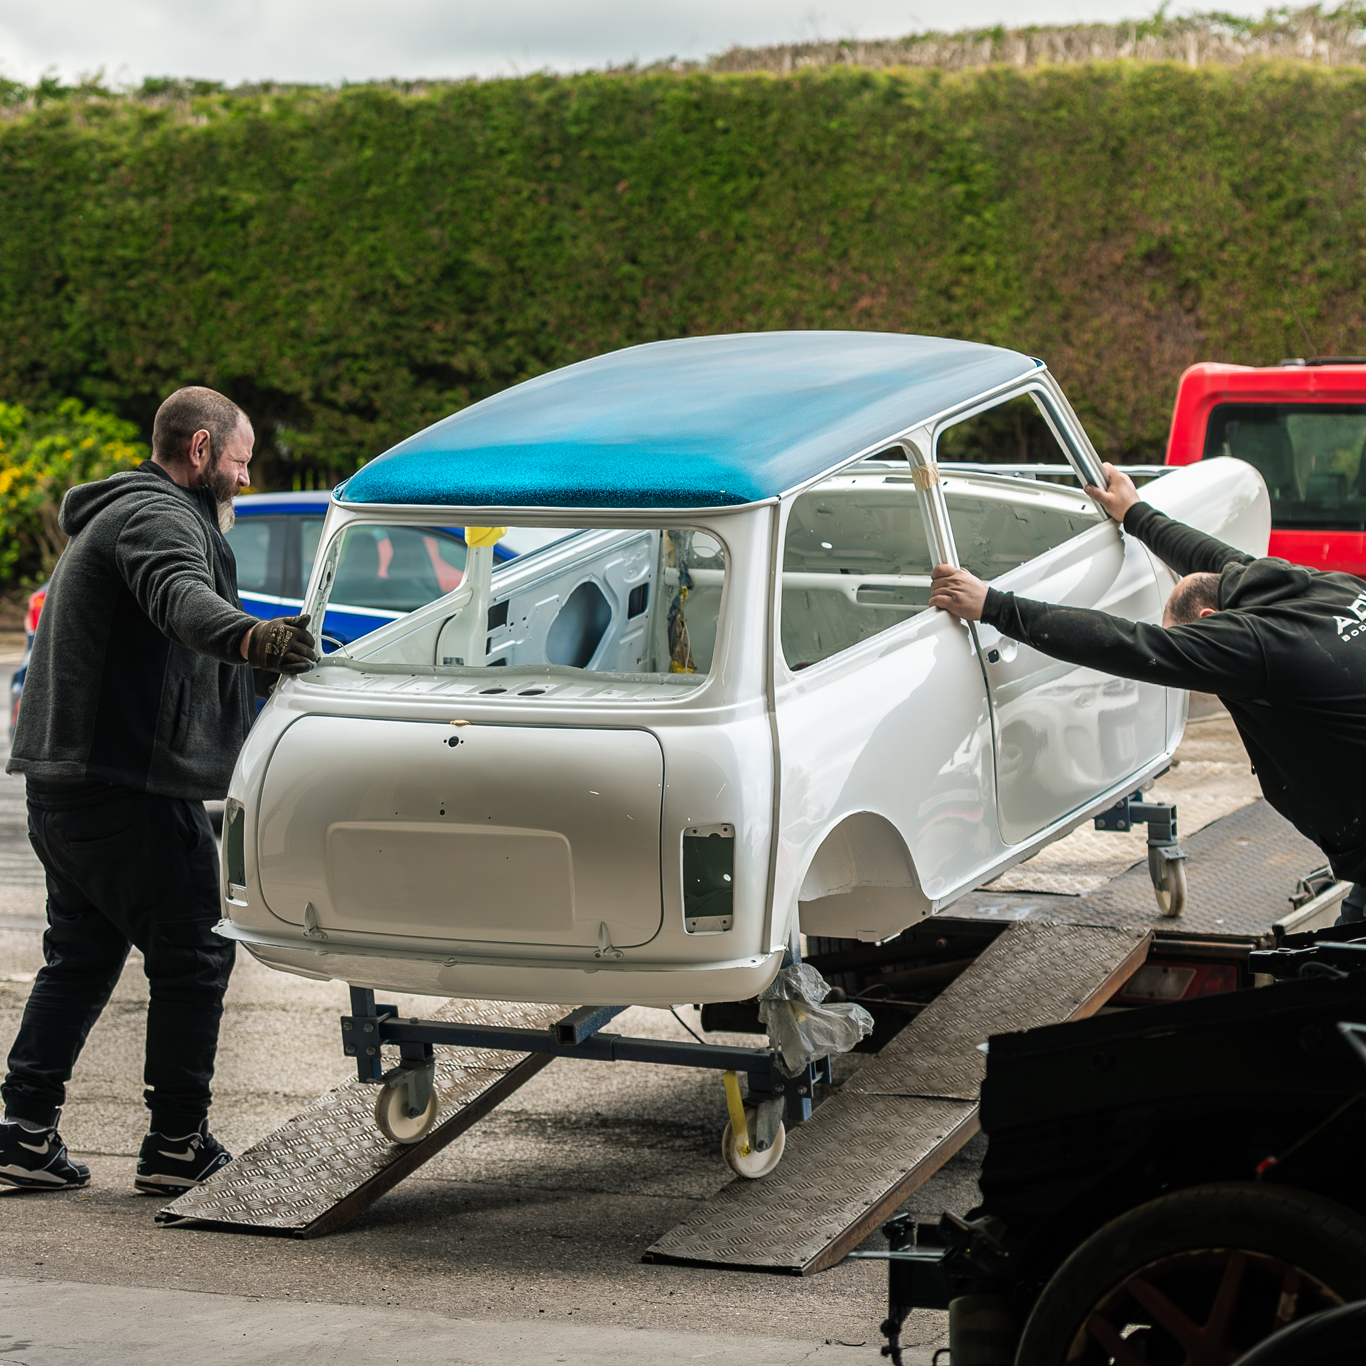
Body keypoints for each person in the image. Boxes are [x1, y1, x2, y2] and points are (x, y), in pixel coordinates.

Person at [0, 386, 315, 1194]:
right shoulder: (158, 516)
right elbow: (181, 598)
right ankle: (177, 1142)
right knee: (195, 952)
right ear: (202, 450)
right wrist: (254, 638)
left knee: (81, 957)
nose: (245, 480)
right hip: (123, 788)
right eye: (241, 462)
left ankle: (23, 1133)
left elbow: (167, 638)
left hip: (69, 784)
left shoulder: (123, 513)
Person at [928, 463, 1366, 924]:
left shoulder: (1257, 646)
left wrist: (995, 606)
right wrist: (1135, 513)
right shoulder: (1314, 587)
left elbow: (1127, 645)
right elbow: (1210, 554)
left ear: (1210, 620)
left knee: (1341, 954)